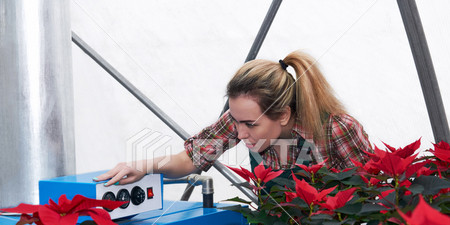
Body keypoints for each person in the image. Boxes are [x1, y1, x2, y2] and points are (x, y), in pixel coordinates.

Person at [95, 50, 371, 186]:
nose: (239, 133)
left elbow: (372, 197)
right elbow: (191, 158)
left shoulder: (336, 129)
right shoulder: (239, 119)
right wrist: (144, 165)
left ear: (284, 114)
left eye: (251, 125)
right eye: (236, 121)